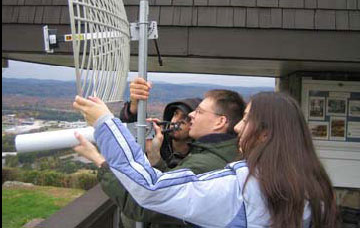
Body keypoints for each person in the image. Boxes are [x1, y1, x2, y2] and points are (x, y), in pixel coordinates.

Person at [73, 91, 337, 228]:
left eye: (246, 120)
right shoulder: (313, 187)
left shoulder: (239, 187)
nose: (238, 128)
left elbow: (150, 191)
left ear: (265, 133)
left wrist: (105, 123)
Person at [98, 81, 245, 227]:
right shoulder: (170, 145)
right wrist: (134, 109)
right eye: (175, 114)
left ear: (220, 122)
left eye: (197, 113)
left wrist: (102, 162)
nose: (178, 120)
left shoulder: (202, 163)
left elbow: (148, 201)